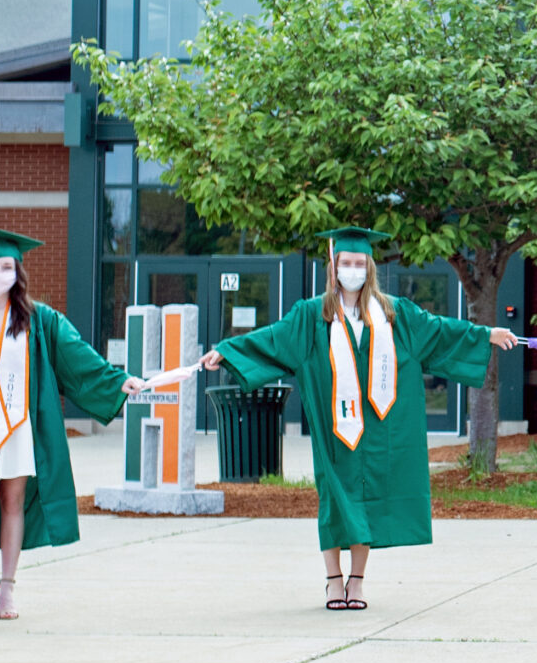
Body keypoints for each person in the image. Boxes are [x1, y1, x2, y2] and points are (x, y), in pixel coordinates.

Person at [202, 227, 519, 610]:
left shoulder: (393, 314)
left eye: (359, 263)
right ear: (333, 267)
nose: (352, 268)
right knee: (336, 501)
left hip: (379, 429)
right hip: (336, 430)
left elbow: (438, 331)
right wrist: (228, 351)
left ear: (368, 267)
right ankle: (333, 581)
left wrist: (485, 333)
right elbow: (272, 339)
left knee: (368, 502)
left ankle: (357, 582)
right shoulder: (310, 316)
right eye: (345, 262)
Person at [0, 231, 144, 621]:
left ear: (18, 271)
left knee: (12, 502)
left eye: (7, 266)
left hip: (17, 426)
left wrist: (117, 380)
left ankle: (6, 588)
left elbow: (77, 354)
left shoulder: (40, 319)